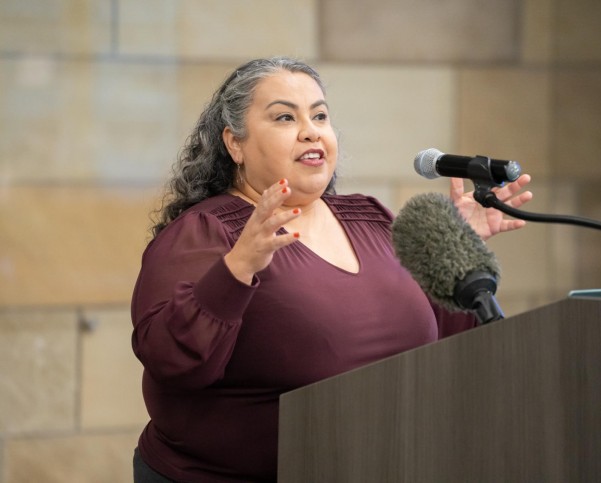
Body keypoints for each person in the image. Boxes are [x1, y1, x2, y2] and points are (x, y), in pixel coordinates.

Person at [130, 56, 533, 482]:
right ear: (235, 144)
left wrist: (456, 258)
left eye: (319, 115)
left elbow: (439, 344)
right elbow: (171, 362)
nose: (311, 130)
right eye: (285, 117)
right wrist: (238, 268)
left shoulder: (374, 220)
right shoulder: (207, 233)